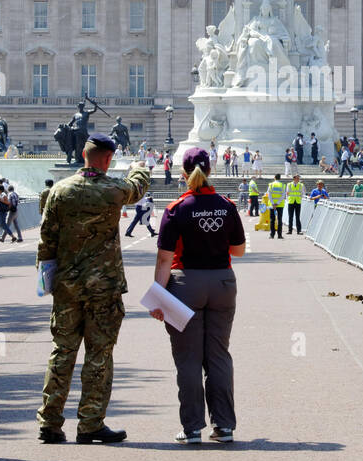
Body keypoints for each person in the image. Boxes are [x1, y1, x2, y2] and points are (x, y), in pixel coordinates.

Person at [36, 135, 150, 445]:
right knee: (99, 354)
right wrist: (140, 167)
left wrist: (47, 281)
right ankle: (90, 422)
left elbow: (46, 240)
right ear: (108, 159)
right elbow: (137, 188)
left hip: (67, 286)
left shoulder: (60, 191)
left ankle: (50, 421)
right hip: (103, 287)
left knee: (62, 352)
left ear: (84, 155)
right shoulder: (113, 190)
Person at [148, 148, 246, 444]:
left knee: (188, 358)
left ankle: (192, 429)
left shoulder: (176, 209)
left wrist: (157, 298)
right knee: (219, 355)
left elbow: (164, 259)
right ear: (211, 171)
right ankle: (224, 426)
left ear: (183, 173)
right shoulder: (227, 206)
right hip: (222, 283)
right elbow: (239, 250)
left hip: (185, 284)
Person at [267, 173, 286, 239]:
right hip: (280, 204)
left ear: (274, 177)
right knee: (280, 219)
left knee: (272, 220)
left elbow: (269, 194)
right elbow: (283, 195)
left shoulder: (271, 185)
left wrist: (273, 203)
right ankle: (279, 235)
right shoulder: (283, 185)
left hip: (272, 205)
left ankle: (272, 235)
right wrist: (277, 203)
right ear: (280, 178)